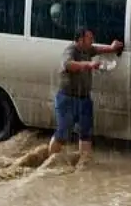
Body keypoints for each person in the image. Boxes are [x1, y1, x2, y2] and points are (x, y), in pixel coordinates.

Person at [47, 28, 123, 169]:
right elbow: (68, 64)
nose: (92, 41)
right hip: (67, 99)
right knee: (63, 133)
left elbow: (98, 49)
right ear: (81, 40)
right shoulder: (70, 50)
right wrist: (88, 64)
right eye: (90, 38)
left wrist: (112, 48)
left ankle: (84, 166)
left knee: (86, 133)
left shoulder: (87, 49)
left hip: (84, 98)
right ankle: (49, 163)